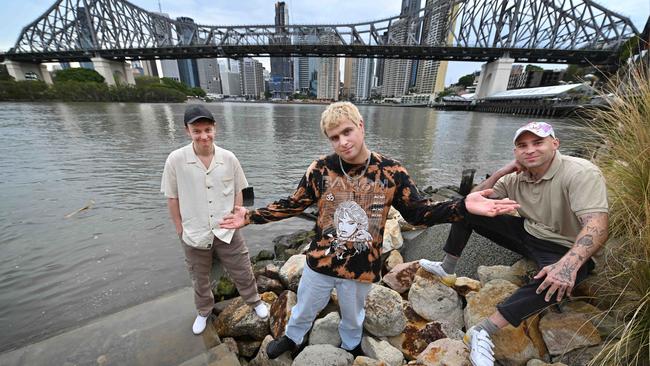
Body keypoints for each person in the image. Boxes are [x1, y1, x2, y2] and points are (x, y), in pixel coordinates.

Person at [220, 102, 520, 358]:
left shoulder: (392, 171)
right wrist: (250, 217)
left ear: (360, 126)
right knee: (304, 308)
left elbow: (418, 213)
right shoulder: (320, 168)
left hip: (361, 267)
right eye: (334, 137)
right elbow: (293, 204)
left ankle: (351, 346)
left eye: (347, 132)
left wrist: (462, 206)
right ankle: (294, 337)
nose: (343, 142)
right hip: (320, 262)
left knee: (353, 316)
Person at [419, 121, 609, 366]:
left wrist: (568, 265)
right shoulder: (514, 177)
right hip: (529, 232)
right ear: (515, 152)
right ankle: (447, 267)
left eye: (538, 143)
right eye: (522, 145)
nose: (530, 150)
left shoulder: (580, 173)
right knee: (466, 210)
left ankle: (482, 330)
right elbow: (473, 199)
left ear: (555, 143)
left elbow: (597, 225)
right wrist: (501, 172)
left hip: (564, 245)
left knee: (557, 279)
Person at [161, 104, 268, 335]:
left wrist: (237, 215)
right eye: (197, 130)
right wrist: (180, 228)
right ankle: (203, 312)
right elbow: (172, 198)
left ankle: (255, 301)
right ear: (186, 130)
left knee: (242, 268)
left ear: (215, 129)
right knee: (199, 277)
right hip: (194, 232)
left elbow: (241, 189)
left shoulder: (228, 158)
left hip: (227, 230)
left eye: (207, 129)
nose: (203, 136)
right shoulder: (175, 160)